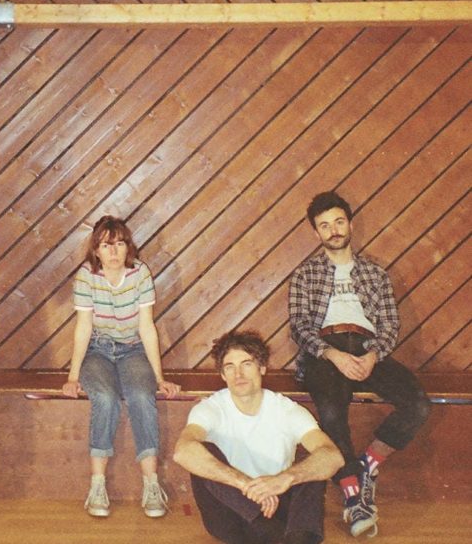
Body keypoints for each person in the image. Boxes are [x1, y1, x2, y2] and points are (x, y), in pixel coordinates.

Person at [289, 191, 431, 538]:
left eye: (339, 222)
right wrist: (333, 354)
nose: (334, 230)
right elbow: (300, 326)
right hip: (326, 352)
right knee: (331, 412)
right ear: (316, 232)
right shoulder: (305, 274)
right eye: (325, 225)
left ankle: (368, 464)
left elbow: (390, 324)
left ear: (350, 225)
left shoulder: (375, 273)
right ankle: (353, 495)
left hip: (369, 348)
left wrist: (373, 355)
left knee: (418, 404)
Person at [174, 330, 342, 544]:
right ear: (223, 375)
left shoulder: (287, 410)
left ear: (262, 367)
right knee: (203, 451)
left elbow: (333, 457)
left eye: (246, 364)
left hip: (276, 505)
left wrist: (284, 479)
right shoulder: (210, 408)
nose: (238, 374)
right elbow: (183, 451)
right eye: (230, 367)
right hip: (231, 514)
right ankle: (277, 536)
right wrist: (245, 484)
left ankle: (298, 539)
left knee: (314, 465)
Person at [62, 215, 180, 518]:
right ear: (96, 251)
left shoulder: (140, 273)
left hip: (132, 349)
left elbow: (146, 326)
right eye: (106, 245)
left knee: (141, 395)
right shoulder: (87, 276)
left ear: (128, 247)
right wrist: (73, 377)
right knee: (105, 397)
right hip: (98, 351)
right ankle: (97, 485)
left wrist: (159, 378)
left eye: (119, 244)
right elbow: (83, 327)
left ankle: (151, 485)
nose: (113, 251)